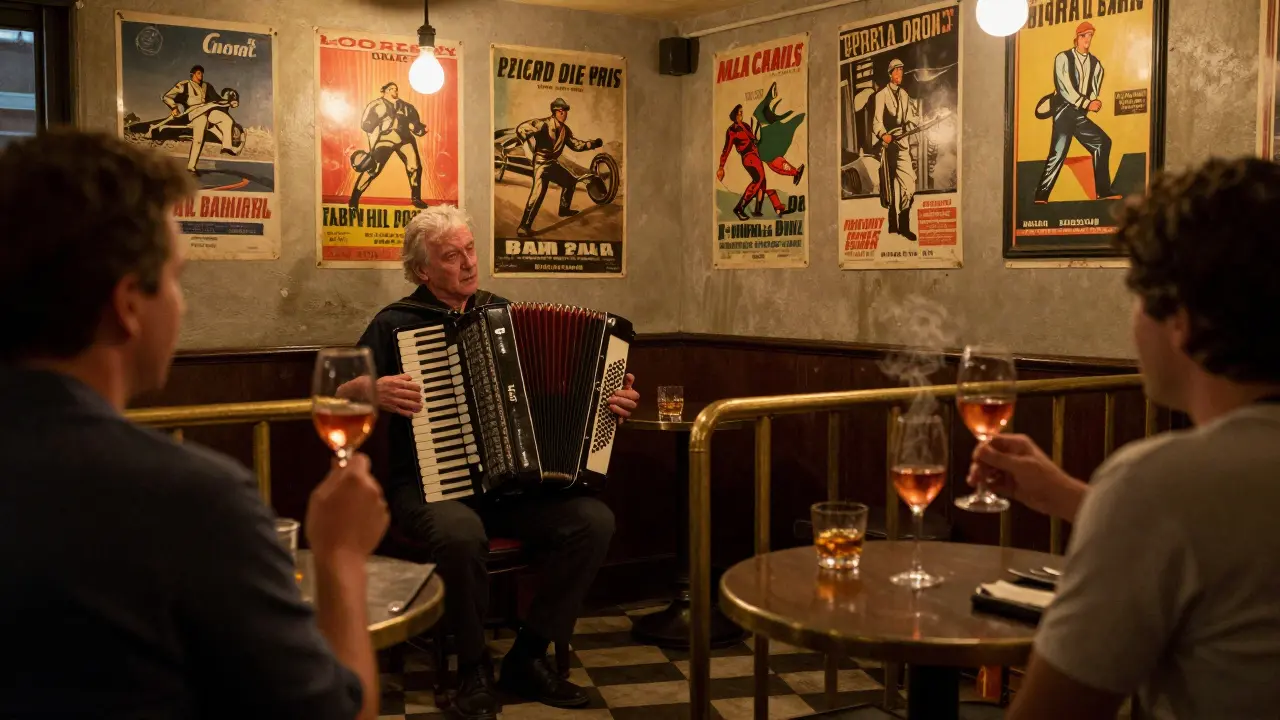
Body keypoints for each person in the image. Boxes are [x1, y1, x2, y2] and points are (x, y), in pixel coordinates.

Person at [0, 129, 389, 720]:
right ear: (129, 306)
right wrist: (340, 557)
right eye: (177, 279)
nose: (181, 304)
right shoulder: (188, 501)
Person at [967, 157, 1280, 719]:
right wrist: (1070, 497)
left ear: (1180, 318)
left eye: (1135, 295)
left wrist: (1115, 502)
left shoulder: (1157, 484)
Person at [353, 204, 639, 720]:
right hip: (426, 487)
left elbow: (561, 393)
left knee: (592, 521)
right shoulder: (396, 324)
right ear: (422, 271)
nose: (468, 263)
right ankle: (473, 669)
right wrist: (370, 389)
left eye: (470, 250)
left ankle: (527, 657)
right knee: (461, 534)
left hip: (509, 490)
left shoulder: (501, 316)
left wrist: (608, 400)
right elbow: (334, 391)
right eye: (451, 256)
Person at [1034, 22, 1119, 204]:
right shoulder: (1063, 58)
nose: (1087, 39)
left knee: (1102, 142)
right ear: (1076, 38)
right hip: (1064, 110)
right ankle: (1041, 196)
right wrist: (1087, 103)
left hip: (1079, 114)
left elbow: (1094, 89)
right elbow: (1065, 88)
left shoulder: (1096, 65)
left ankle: (1103, 191)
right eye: (1083, 36)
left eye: (1090, 36)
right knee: (1058, 153)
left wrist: (1094, 101)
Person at [513, 97, 604, 237]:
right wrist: (527, 145)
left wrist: (592, 144)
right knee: (538, 194)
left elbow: (576, 145)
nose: (563, 113)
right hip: (541, 164)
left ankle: (564, 209)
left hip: (552, 163)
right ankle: (523, 227)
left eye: (565, 111)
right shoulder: (542, 124)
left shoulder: (565, 130)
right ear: (554, 112)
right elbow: (521, 129)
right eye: (560, 111)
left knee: (570, 181)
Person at [349, 81, 429, 211]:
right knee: (373, 169)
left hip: (405, 139)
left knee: (414, 166)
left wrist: (419, 129)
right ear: (385, 90)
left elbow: (417, 126)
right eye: (391, 88)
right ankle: (354, 198)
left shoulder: (407, 107)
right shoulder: (376, 105)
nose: (395, 90)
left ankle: (416, 198)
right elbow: (366, 125)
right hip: (386, 138)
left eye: (396, 88)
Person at [161, 64, 245, 173]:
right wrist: (174, 107)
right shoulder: (184, 85)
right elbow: (167, 96)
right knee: (199, 139)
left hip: (209, 110)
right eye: (199, 73)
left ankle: (226, 146)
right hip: (195, 113)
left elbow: (217, 99)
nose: (201, 75)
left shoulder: (207, 86)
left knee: (227, 120)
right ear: (193, 74)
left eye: (202, 73)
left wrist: (230, 102)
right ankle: (191, 166)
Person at [717, 104, 790, 221]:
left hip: (755, 155)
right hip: (748, 158)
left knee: (763, 182)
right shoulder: (732, 131)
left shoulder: (746, 125)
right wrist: (721, 166)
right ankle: (740, 208)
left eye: (742, 112)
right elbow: (727, 149)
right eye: (739, 112)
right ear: (734, 114)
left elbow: (754, 139)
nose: (741, 114)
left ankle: (762, 209)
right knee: (758, 179)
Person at [873, 58, 920, 241]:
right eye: (897, 70)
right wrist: (883, 134)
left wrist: (913, 124)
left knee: (909, 185)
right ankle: (893, 227)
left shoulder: (905, 95)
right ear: (890, 73)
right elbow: (877, 122)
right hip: (888, 145)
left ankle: (905, 226)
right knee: (890, 188)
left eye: (901, 70)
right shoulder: (881, 95)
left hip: (902, 144)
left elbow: (911, 118)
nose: (900, 73)